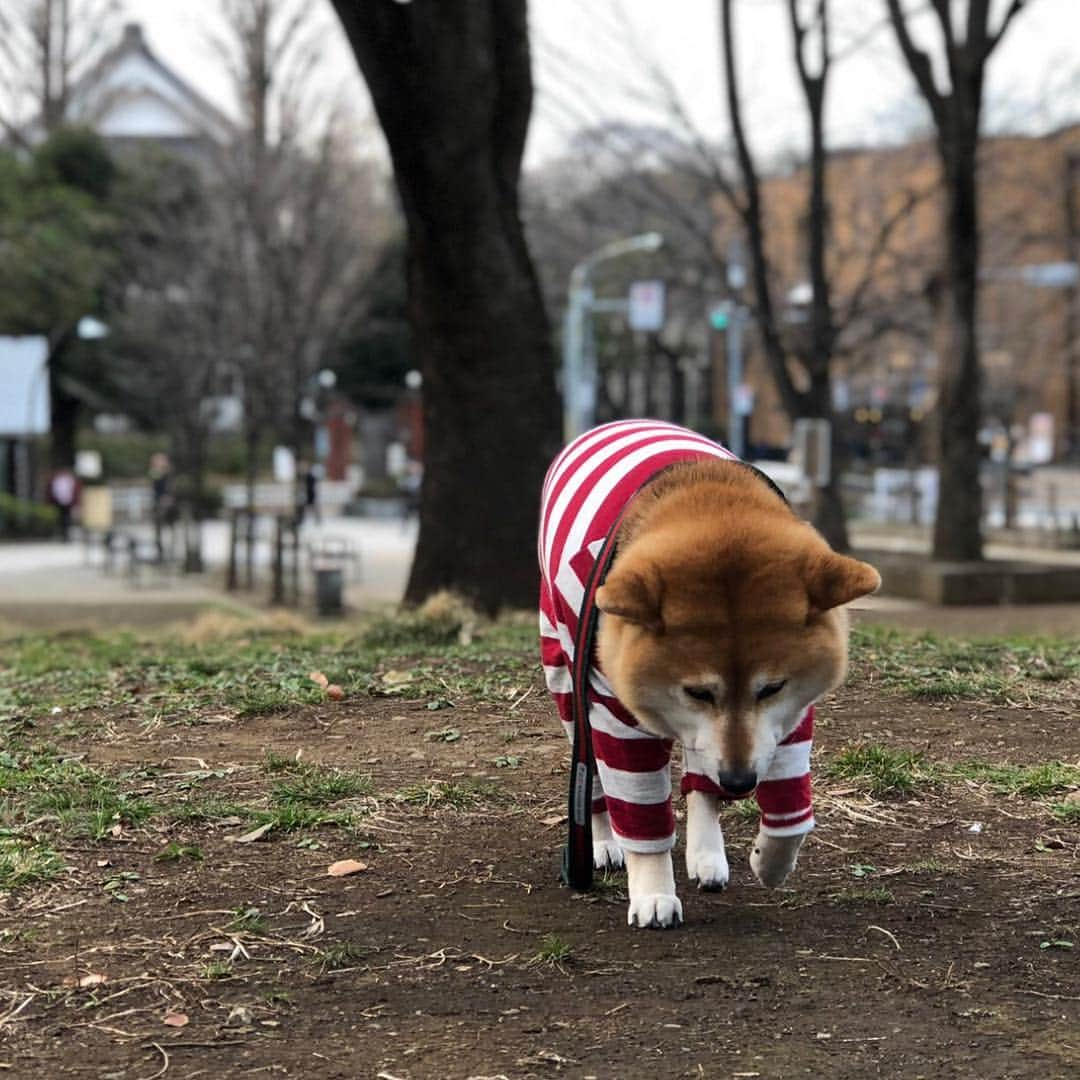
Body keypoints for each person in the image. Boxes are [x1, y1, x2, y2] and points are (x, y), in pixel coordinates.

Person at [148, 452, 176, 558]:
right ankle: (160, 552)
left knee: (171, 528)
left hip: (168, 503)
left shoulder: (169, 474)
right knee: (159, 529)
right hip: (158, 503)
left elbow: (171, 488)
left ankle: (170, 551)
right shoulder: (155, 473)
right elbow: (155, 481)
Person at [47, 467, 81, 542]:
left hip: (66, 502)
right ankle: (63, 535)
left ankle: (65, 535)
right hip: (61, 502)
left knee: (65, 519)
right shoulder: (60, 480)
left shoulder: (67, 480)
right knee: (62, 519)